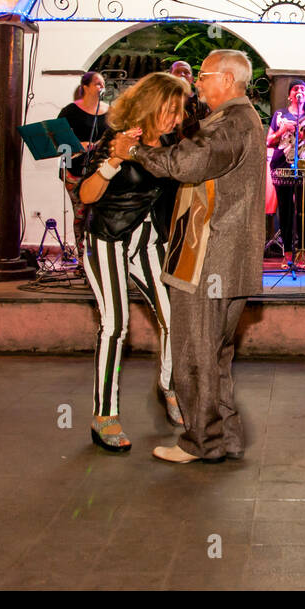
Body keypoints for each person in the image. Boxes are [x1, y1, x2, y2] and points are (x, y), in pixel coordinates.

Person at [113, 49, 266, 464]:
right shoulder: (239, 120)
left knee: (195, 354)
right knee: (215, 354)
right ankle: (224, 438)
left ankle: (202, 443)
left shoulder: (232, 122)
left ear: (229, 81)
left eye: (204, 75)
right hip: (226, 257)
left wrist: (135, 153)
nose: (197, 82)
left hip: (210, 257)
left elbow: (189, 163)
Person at [79, 72, 188, 452]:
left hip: (148, 241)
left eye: (180, 111)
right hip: (107, 237)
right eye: (172, 111)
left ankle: (169, 387)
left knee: (177, 317)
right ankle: (104, 415)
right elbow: (87, 194)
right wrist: (111, 161)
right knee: (115, 325)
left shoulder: (171, 143)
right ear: (152, 106)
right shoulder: (118, 138)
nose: (177, 118)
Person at [267, 79, 305, 265]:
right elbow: (268, 141)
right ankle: (287, 255)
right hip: (282, 166)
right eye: (295, 89)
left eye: (302, 88)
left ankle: (302, 252)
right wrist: (281, 131)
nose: (299, 91)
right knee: (285, 211)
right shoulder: (280, 114)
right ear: (290, 95)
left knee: (304, 211)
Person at [59, 72, 108, 253]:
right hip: (76, 169)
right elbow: (58, 141)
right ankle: (82, 254)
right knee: (81, 213)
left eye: (103, 84)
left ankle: (97, 253)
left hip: (101, 170)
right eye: (97, 83)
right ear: (85, 87)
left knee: (97, 214)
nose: (101, 87)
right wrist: (78, 145)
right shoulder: (70, 111)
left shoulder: (110, 111)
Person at [169, 60, 208, 138]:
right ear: (169, 77)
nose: (182, 75)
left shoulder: (203, 101)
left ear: (192, 79)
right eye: (177, 71)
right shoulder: (162, 102)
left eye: (186, 72)